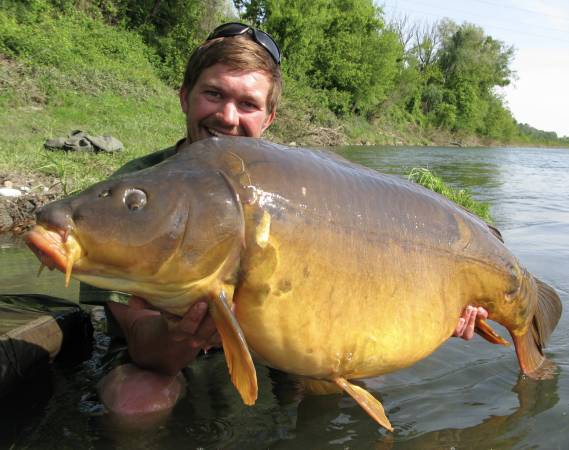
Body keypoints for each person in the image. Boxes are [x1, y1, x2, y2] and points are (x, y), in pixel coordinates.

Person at [83, 22, 488, 420]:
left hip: (274, 341)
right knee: (138, 399)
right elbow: (144, 347)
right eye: (213, 94)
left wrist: (433, 310)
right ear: (185, 96)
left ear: (269, 117)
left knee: (347, 384)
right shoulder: (133, 195)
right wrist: (181, 334)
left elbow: (359, 291)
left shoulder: (304, 187)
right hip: (165, 355)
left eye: (247, 104)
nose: (227, 116)